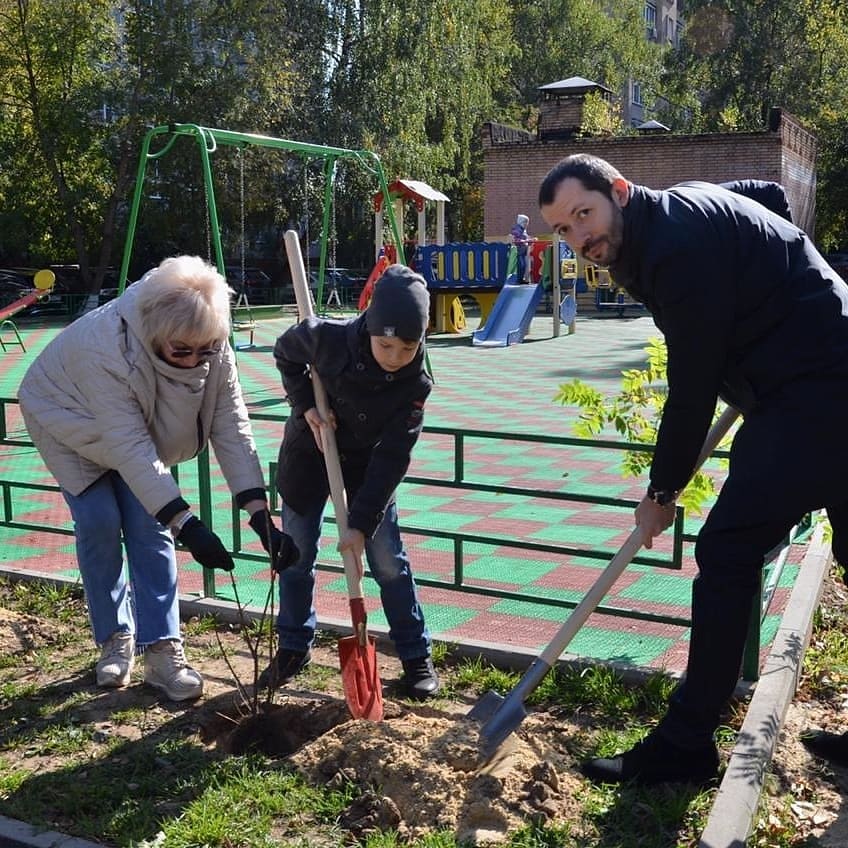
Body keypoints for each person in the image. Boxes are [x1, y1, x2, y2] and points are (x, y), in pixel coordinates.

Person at [537, 152, 848, 786]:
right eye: (564, 229)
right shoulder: (676, 211)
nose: (579, 236)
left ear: (619, 191)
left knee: (728, 549)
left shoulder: (674, 250)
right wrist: (779, 277)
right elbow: (769, 196)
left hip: (815, 390)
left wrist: (662, 491)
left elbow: (692, 387)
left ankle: (685, 745)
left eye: (584, 214)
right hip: (823, 369)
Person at [18, 256, 297, 702]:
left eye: (204, 349)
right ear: (154, 333)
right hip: (66, 420)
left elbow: (230, 423)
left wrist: (259, 515)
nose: (194, 360)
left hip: (132, 424)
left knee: (149, 528)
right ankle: (114, 638)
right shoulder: (104, 349)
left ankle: (163, 651)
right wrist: (188, 524)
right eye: (181, 351)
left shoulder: (210, 335)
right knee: (100, 522)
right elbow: (129, 448)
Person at [262, 264, 440, 699]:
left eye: (407, 347)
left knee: (386, 562)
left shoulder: (415, 384)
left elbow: (393, 458)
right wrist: (306, 404)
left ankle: (416, 657)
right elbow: (285, 352)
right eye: (385, 345)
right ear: (370, 325)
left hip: (367, 469)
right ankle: (293, 646)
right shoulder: (326, 338)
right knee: (297, 555)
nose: (395, 356)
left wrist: (360, 524)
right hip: (309, 455)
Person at [510, 214, 534, 282]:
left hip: (524, 251)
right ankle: (519, 279)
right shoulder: (517, 229)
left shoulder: (524, 230)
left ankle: (522, 278)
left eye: (527, 222)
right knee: (521, 265)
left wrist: (531, 239)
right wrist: (526, 240)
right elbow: (515, 240)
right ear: (521, 222)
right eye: (525, 222)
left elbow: (526, 239)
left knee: (525, 265)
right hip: (518, 251)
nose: (526, 224)